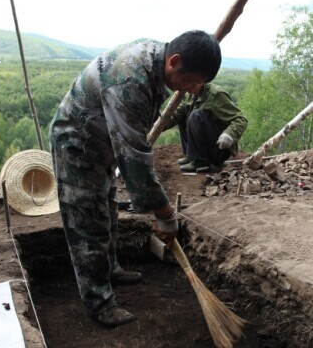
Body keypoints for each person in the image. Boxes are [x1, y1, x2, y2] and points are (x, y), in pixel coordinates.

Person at [50, 30, 221, 327]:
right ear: (174, 61)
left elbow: (134, 141)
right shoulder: (129, 77)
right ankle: (99, 302)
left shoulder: (155, 60)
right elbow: (134, 153)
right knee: (87, 220)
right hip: (77, 144)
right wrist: (164, 211)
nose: (193, 90)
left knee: (107, 206)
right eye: (192, 81)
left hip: (101, 141)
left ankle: (111, 268)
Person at [166, 82, 247, 173]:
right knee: (183, 116)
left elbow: (241, 119)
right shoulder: (190, 95)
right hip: (208, 146)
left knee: (196, 115)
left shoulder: (216, 95)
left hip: (220, 149)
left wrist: (229, 134)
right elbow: (175, 116)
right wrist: (157, 124)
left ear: (201, 80)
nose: (187, 85)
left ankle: (201, 161)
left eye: (192, 81)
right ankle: (192, 157)